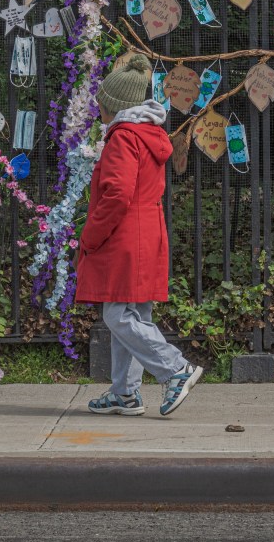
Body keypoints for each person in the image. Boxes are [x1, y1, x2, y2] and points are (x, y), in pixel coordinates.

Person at [74, 53, 203, 417]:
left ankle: (175, 369)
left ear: (114, 106)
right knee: (136, 316)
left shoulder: (122, 139)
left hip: (125, 236)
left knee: (117, 315)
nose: (98, 107)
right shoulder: (149, 134)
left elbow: (117, 194)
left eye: (102, 102)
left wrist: (91, 235)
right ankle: (125, 393)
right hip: (148, 232)